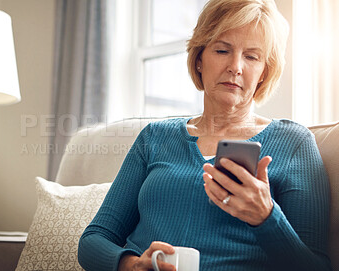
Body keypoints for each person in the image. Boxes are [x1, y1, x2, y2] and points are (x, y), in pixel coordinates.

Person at [78, 0, 331, 270]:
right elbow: (94, 240)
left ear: (263, 73)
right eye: (222, 50)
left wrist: (266, 217)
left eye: (251, 56)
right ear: (199, 59)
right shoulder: (154, 138)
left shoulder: (294, 144)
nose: (236, 66)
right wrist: (131, 265)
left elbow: (316, 266)